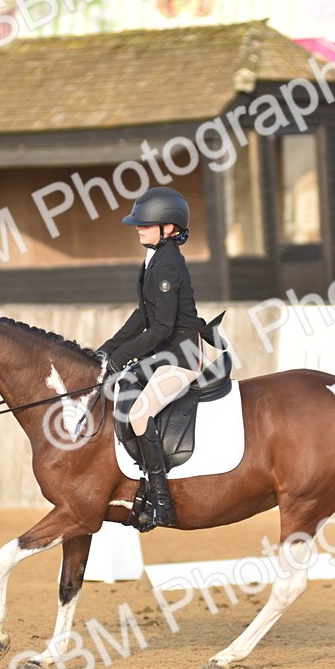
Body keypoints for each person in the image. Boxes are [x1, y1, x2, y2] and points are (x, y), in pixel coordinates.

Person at [96, 186, 221, 529]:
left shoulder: (167, 266)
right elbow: (143, 315)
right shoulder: (154, 258)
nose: (138, 227)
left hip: (181, 356)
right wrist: (109, 349)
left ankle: (162, 500)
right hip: (161, 353)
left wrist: (123, 356)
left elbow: (163, 326)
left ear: (168, 228)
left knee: (139, 413)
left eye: (145, 223)